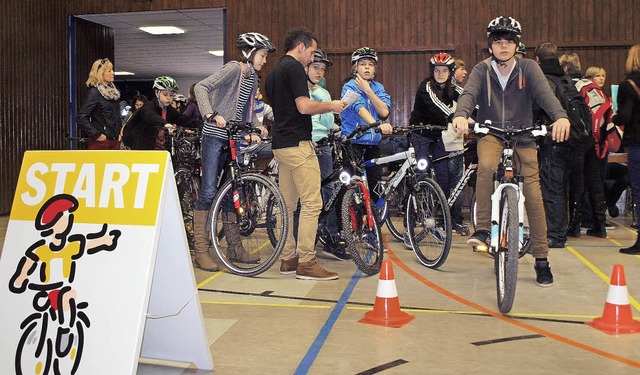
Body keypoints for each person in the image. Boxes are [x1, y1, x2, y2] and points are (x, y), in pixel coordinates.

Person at [453, 16, 571, 287]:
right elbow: (468, 95)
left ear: (517, 45)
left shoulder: (529, 68)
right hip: (491, 133)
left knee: (533, 195)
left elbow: (545, 96)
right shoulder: (481, 70)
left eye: (509, 41)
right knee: (484, 168)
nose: (504, 46)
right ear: (490, 45)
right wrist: (461, 115)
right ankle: (482, 230)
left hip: (524, 136)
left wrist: (560, 117)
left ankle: (541, 258)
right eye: (498, 41)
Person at [265, 27, 345, 281]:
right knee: (312, 203)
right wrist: (331, 105)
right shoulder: (295, 69)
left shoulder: (273, 73)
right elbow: (303, 106)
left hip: (280, 145)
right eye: (311, 51)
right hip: (298, 146)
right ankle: (307, 262)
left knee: (287, 206)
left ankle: (288, 258)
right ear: (301, 47)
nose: (312, 57)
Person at [191, 32, 275, 272]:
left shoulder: (253, 78)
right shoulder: (233, 69)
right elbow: (201, 87)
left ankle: (235, 248)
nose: (264, 60)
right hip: (214, 137)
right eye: (262, 55)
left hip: (234, 139)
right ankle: (201, 250)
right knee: (208, 191)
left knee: (232, 192)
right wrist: (210, 114)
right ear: (249, 54)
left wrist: (256, 126)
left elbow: (246, 110)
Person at [409, 52, 469, 237]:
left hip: (437, 136)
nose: (440, 74)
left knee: (443, 178)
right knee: (421, 174)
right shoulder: (425, 87)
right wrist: (457, 117)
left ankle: (441, 220)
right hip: (419, 135)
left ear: (451, 72)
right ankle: (410, 221)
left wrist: (485, 118)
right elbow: (439, 107)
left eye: (444, 70)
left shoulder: (453, 89)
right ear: (432, 71)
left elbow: (469, 101)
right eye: (437, 70)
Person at [532, 42, 580, 248]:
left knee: (552, 188)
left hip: (553, 140)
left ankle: (556, 235)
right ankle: (568, 228)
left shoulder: (545, 81)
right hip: (574, 141)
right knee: (565, 187)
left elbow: (538, 107)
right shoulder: (565, 78)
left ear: (537, 61)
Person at [305, 49, 351, 261]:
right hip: (304, 146)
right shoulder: (298, 92)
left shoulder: (323, 94)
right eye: (316, 67)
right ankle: (305, 239)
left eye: (322, 69)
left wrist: (337, 129)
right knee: (306, 196)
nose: (320, 72)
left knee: (330, 192)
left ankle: (331, 237)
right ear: (305, 66)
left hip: (323, 147)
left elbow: (326, 122)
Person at [560, 54, 609, 238]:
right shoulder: (592, 86)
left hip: (576, 139)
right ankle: (600, 225)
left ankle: (574, 225)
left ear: (564, 67)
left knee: (576, 183)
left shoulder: (568, 85)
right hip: (594, 139)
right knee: (595, 181)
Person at [340, 47, 394, 206]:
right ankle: (348, 223)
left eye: (371, 64)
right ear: (355, 67)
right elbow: (360, 109)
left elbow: (384, 111)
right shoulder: (348, 87)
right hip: (353, 142)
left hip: (372, 144)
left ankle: (374, 223)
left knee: (375, 185)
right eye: (362, 64)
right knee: (352, 185)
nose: (367, 67)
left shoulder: (378, 88)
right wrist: (377, 125)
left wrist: (368, 91)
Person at [122, 76, 197, 150]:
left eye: (171, 95)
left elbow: (181, 120)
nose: (168, 98)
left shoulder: (168, 109)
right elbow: (152, 116)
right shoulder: (148, 106)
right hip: (141, 148)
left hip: (160, 148)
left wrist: (202, 124)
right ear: (157, 93)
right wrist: (166, 124)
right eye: (165, 94)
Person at [614, 44, 640, 254]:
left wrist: (612, 118)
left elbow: (624, 116)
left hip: (638, 143)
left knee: (638, 191)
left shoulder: (628, 86)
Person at [77, 58, 122, 150]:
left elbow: (116, 116)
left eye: (112, 70)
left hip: (115, 141)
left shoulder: (114, 93)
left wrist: (119, 133)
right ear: (100, 73)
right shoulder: (94, 93)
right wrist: (97, 135)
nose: (113, 73)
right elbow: (81, 117)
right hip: (101, 143)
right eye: (109, 71)